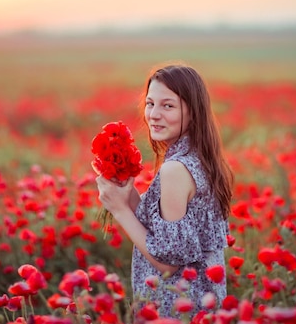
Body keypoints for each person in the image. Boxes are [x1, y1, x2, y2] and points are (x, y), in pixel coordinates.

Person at [96, 63, 234, 319]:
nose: (153, 115)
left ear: (193, 112)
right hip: (204, 307)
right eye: (150, 104)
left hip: (177, 308)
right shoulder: (198, 156)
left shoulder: (175, 169)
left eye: (167, 105)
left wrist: (119, 209)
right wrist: (128, 193)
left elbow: (169, 262)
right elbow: (164, 232)